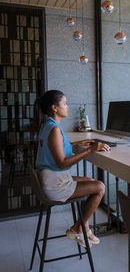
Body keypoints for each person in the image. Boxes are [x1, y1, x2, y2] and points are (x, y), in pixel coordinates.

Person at [33, 90, 110, 248]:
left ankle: (84, 227)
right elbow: (62, 163)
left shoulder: (47, 125)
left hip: (50, 179)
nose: (67, 107)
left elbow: (56, 147)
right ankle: (77, 229)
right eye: (65, 103)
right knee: (100, 187)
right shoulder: (54, 129)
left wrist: (76, 144)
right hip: (56, 185)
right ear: (55, 108)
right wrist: (90, 149)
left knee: (90, 181)